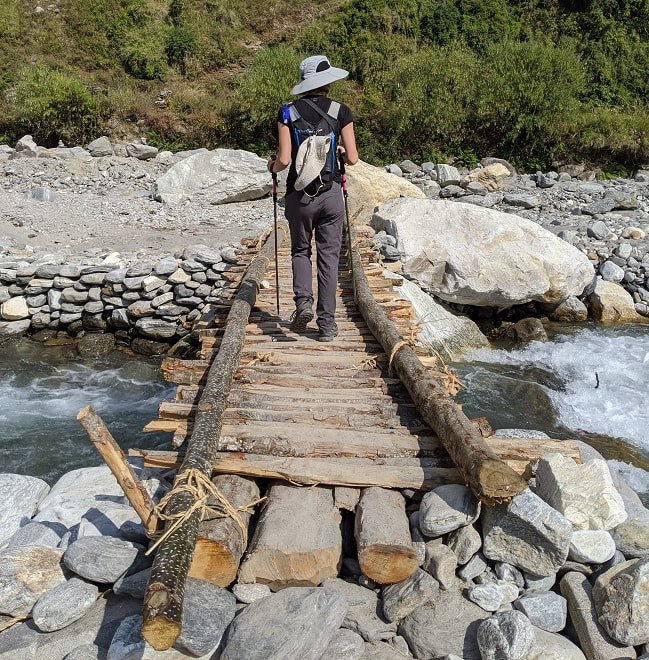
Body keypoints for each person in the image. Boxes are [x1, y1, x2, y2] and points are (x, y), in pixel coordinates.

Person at [267, 55, 358, 342]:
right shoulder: (341, 110)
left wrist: (272, 167)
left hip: (300, 196)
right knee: (329, 259)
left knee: (300, 251)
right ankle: (327, 326)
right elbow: (353, 158)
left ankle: (303, 303)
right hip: (331, 194)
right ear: (328, 82)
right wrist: (341, 152)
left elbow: (283, 159)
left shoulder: (287, 112)